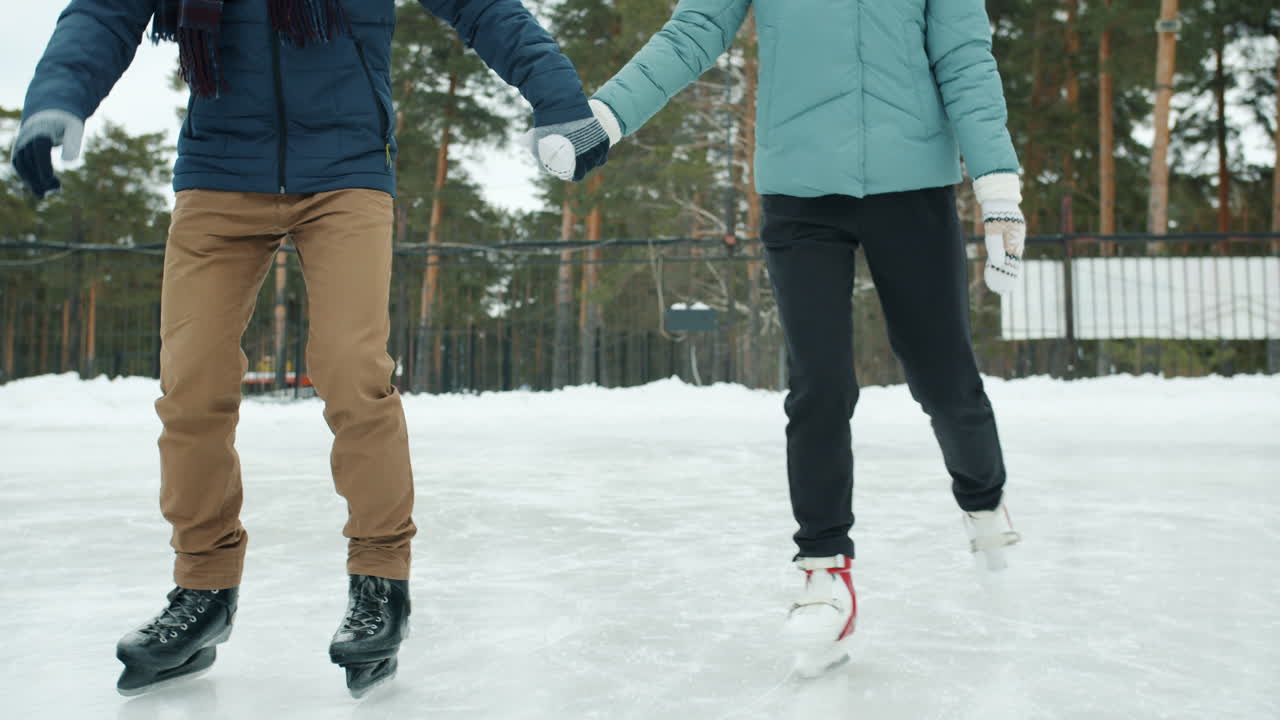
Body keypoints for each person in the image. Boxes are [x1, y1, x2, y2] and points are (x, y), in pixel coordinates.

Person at [11, 0, 609, 698]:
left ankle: (380, 582)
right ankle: (203, 588)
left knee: (353, 369)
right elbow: (104, 14)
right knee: (191, 380)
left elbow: (483, 9)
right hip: (219, 167)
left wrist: (558, 98)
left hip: (346, 169)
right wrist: (54, 99)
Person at [574, 0, 1024, 677]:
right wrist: (606, 115)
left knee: (944, 379)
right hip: (801, 191)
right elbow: (695, 30)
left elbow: (963, 57)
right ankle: (823, 567)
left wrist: (998, 190)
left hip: (912, 189)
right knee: (820, 384)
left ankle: (983, 498)